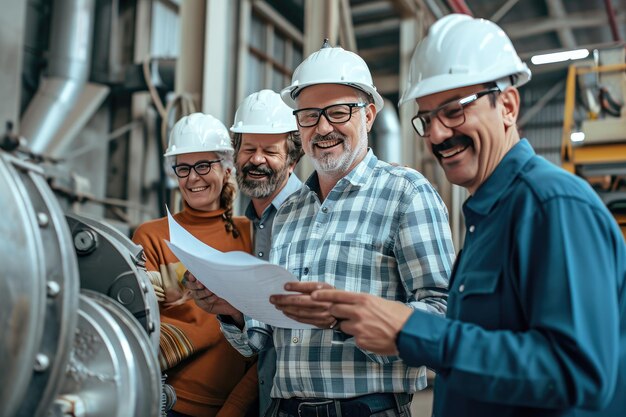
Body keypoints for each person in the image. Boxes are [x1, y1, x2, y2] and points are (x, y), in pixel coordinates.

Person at [313, 14, 626, 417]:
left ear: (508, 105)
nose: (438, 134)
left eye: (455, 110)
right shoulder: (488, 218)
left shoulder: (551, 206)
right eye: (426, 119)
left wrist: (412, 330)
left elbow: (577, 374)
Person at [213, 40, 456, 417]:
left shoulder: (405, 194)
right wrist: (234, 310)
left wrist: (347, 318)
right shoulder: (290, 211)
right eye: (308, 115)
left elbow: (444, 313)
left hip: (368, 410)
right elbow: (261, 340)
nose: (322, 127)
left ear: (369, 115)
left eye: (338, 112)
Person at [132, 113, 258, 417]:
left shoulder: (252, 234)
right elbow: (140, 328)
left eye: (203, 166)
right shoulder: (152, 235)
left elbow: (266, 341)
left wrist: (236, 408)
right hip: (167, 404)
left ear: (227, 168)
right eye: (183, 168)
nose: (193, 178)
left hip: (243, 404)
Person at [231, 89, 303, 416]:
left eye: (270, 151)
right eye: (248, 149)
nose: (256, 159)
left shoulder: (312, 213)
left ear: (292, 159)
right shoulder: (246, 224)